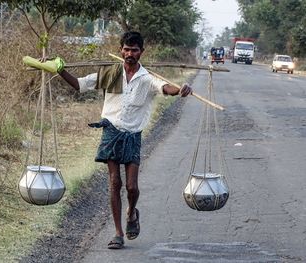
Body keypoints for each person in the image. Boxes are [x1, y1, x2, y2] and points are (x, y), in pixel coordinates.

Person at [26, 31, 192, 249]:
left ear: (141, 52)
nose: (129, 54)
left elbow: (165, 88)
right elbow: (79, 85)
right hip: (111, 132)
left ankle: (132, 213)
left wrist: (180, 90)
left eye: (134, 50)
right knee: (115, 183)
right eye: (126, 49)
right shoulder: (110, 73)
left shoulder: (146, 78)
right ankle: (118, 233)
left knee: (132, 187)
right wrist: (59, 69)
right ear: (120, 50)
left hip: (132, 136)